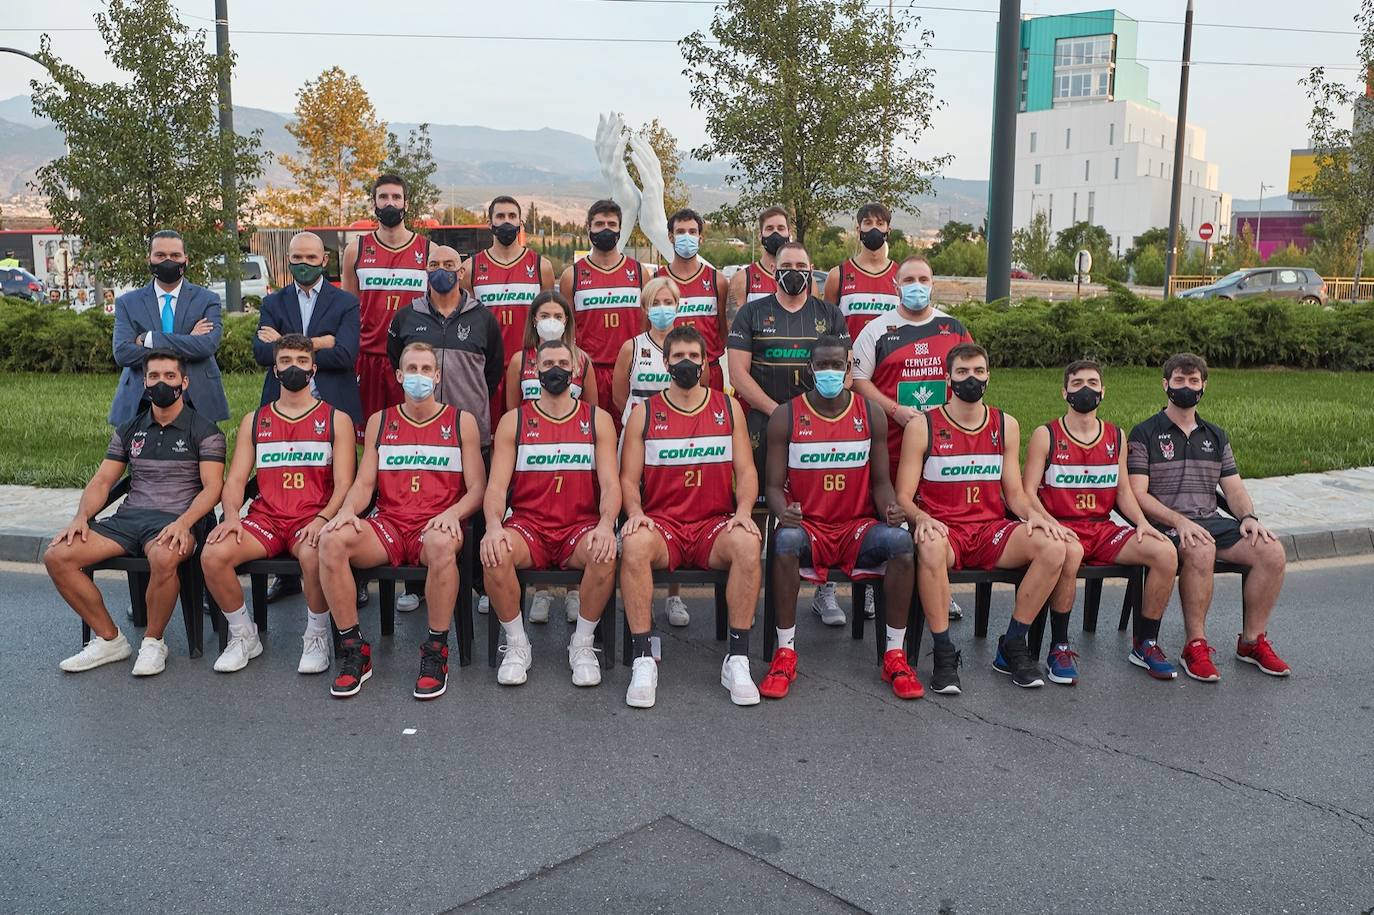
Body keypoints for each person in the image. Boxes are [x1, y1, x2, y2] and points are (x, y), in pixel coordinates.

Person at [895, 343, 1073, 691]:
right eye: (962, 373)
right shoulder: (922, 426)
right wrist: (920, 518)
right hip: (947, 529)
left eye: (978, 372)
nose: (971, 379)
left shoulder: (1005, 424)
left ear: (988, 376)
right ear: (948, 378)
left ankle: (1013, 643)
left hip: (991, 530)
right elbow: (903, 495)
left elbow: (1016, 494)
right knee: (929, 546)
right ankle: (944, 653)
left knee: (1053, 546)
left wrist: (1037, 518)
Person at [317, 342, 486, 700]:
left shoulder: (461, 421)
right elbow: (364, 484)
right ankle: (354, 651)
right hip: (390, 524)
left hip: (436, 523)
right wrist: (346, 511)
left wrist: (451, 513)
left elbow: (477, 489)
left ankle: (436, 651)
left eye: (427, 369)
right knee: (332, 541)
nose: (419, 376)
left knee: (442, 546)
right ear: (398, 376)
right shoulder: (381, 420)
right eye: (412, 369)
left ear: (438, 376)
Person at [758, 336, 922, 700]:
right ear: (809, 370)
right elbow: (771, 485)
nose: (830, 372)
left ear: (849, 370)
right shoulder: (786, 416)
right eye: (823, 365)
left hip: (855, 527)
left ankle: (894, 654)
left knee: (900, 542)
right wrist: (782, 509)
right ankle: (785, 652)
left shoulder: (870, 413)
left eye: (838, 365)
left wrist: (890, 507)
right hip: (810, 526)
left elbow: (881, 483)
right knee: (784, 540)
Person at [46, 350, 225, 677]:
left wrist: (184, 523)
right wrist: (81, 517)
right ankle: (109, 639)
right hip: (129, 519)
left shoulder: (205, 430)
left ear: (183, 382)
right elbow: (103, 480)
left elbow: (213, 488)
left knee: (163, 557)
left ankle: (153, 642)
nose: (161, 383)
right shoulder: (130, 429)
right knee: (58, 555)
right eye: (154, 377)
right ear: (144, 382)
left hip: (177, 519)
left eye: (169, 376)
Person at [619, 326, 763, 708]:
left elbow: (747, 471)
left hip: (712, 526)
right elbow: (628, 480)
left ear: (705, 364)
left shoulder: (727, 407)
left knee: (749, 542)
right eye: (678, 357)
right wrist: (634, 512)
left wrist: (744, 511)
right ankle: (643, 659)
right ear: (665, 362)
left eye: (694, 357)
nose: (686, 363)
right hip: (663, 525)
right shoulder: (644, 413)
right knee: (633, 544)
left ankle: (738, 659)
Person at [1128, 352, 1290, 681]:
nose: (1186, 387)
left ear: (1204, 386)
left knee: (1271, 550)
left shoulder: (1215, 435)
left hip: (1210, 519)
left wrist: (1248, 517)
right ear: (1165, 385)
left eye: (1193, 381)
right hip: (1166, 525)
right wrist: (1179, 521)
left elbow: (1233, 488)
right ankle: (1195, 646)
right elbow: (1138, 495)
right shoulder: (1144, 433)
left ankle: (1251, 642)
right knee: (1202, 549)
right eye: (1179, 380)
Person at [201, 335, 357, 674]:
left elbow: (346, 483)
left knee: (313, 553)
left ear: (313, 369)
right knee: (213, 554)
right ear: (275, 369)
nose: (293, 368)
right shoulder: (254, 420)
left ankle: (316, 636)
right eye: (285, 361)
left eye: (302, 362)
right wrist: (230, 517)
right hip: (267, 519)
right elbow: (237, 480)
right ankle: (243, 635)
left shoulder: (336, 419)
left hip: (311, 516)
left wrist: (323, 518)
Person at [1021, 360, 1180, 683]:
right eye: (1077, 383)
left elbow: (1123, 491)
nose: (1086, 390)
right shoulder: (1046, 434)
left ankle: (1146, 643)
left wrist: (1141, 522)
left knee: (1165, 552)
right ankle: (1059, 647)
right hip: (1062, 526)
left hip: (1102, 528)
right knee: (1071, 552)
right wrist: (1050, 523)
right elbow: (1027, 493)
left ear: (1103, 391)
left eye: (1093, 383)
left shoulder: (1115, 435)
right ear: (1065, 392)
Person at [479, 339, 621, 687]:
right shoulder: (515, 421)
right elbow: (496, 487)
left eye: (562, 362)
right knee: (495, 553)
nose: (555, 369)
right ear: (536, 371)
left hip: (579, 527)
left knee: (605, 551)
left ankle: (583, 644)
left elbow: (611, 485)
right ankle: (516, 644)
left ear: (575, 370)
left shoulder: (597, 419)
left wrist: (606, 525)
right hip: (530, 527)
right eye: (547, 364)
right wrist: (494, 525)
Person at [726, 239, 850, 625]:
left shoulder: (829, 315)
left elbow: (844, 372)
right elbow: (737, 374)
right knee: (763, 504)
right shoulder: (751, 312)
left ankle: (824, 591)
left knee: (821, 506)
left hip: (821, 425)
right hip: (764, 423)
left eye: (801, 265)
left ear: (812, 271)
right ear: (774, 270)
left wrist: (807, 413)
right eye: (787, 264)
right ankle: (755, 584)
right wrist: (780, 413)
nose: (794, 271)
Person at [852, 254, 974, 623]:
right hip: (890, 441)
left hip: (940, 447)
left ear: (933, 284)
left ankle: (940, 587)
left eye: (923, 278)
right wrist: (894, 410)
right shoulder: (876, 330)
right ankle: (879, 588)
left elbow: (971, 374)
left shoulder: (952, 329)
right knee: (889, 514)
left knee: (937, 513)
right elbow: (858, 381)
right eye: (909, 280)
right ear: (896, 285)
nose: (916, 286)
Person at [253, 231, 364, 606]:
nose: (303, 263)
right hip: (283, 407)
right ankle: (287, 575)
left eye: (311, 257)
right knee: (284, 488)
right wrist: (319, 342)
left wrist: (286, 344)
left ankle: (352, 572)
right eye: (296, 256)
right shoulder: (273, 300)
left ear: (324, 261)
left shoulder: (345, 302)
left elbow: (346, 354)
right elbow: (260, 352)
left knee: (340, 485)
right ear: (287, 259)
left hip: (332, 407)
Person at [499, 289, 598, 624]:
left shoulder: (582, 359)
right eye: (544, 316)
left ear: (567, 321)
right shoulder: (519, 360)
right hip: (532, 454)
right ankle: (540, 592)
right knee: (535, 515)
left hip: (572, 450)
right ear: (534, 321)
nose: (551, 322)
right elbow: (512, 409)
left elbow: (593, 410)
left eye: (558, 316)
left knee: (574, 513)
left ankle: (573, 594)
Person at [611, 275, 700, 628]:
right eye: (656, 303)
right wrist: (640, 423)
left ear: (678, 306)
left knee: (675, 509)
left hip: (677, 441)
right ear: (645, 308)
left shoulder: (689, 346)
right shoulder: (632, 347)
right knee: (634, 512)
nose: (663, 309)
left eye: (669, 302)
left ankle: (674, 595)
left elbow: (700, 391)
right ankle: (637, 593)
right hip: (639, 438)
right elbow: (620, 394)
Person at [387, 244, 503, 449]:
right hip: (420, 432)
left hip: (471, 435)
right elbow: (397, 362)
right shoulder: (406, 317)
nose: (441, 270)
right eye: (434, 265)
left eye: (448, 265)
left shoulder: (484, 318)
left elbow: (492, 374)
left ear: (461, 273)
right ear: (426, 271)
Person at [342, 174, 430, 439]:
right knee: (366, 436)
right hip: (368, 358)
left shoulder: (427, 250)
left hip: (410, 360)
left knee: (410, 434)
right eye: (383, 197)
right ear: (374, 203)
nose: (390, 203)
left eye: (396, 197)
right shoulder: (355, 250)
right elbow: (349, 310)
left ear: (406, 203)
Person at [110, 230, 228, 425]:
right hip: (141, 398)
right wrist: (188, 340)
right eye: (160, 255)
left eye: (175, 255)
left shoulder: (208, 300)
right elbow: (123, 353)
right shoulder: (128, 303)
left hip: (196, 396)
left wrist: (150, 339)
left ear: (186, 259)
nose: (168, 260)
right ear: (149, 259)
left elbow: (206, 346)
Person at [465, 195, 554, 431]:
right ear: (490, 222)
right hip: (488, 368)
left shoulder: (540, 266)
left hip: (531, 368)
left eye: (512, 216)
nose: (506, 222)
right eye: (500, 216)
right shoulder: (472, 268)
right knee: (491, 438)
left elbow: (550, 315)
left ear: (520, 223)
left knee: (530, 435)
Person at [558, 199, 646, 418]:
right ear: (588, 228)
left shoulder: (639, 272)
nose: (605, 229)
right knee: (593, 439)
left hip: (631, 370)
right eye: (599, 224)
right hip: (590, 371)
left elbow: (647, 325)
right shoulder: (573, 276)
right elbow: (565, 330)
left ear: (619, 229)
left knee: (632, 442)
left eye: (611, 224)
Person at [664, 207, 727, 388]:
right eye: (680, 232)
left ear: (700, 238)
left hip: (710, 368)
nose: (686, 236)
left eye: (692, 232)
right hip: (670, 370)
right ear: (670, 237)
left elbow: (723, 330)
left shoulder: (718, 281)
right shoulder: (657, 281)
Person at [823, 202, 900, 340]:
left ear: (888, 230)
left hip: (890, 360)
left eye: (880, 223)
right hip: (849, 359)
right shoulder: (837, 275)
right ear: (859, 229)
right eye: (868, 223)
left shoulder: (902, 276)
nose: (874, 228)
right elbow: (827, 328)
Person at [726, 206, 803, 314]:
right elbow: (735, 327)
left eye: (781, 228)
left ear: (789, 234)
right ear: (760, 235)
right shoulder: (742, 279)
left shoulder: (805, 279)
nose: (775, 234)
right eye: (769, 228)